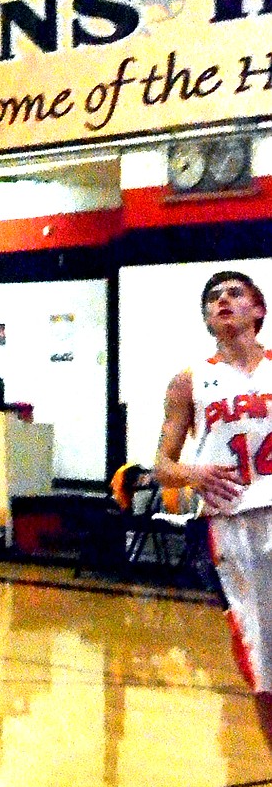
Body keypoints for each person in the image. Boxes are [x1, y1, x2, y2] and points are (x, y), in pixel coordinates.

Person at [154, 270, 272, 753]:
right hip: (231, 525)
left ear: (258, 310)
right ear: (207, 318)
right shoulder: (189, 381)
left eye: (234, 293)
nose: (223, 301)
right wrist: (194, 474)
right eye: (213, 298)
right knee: (262, 655)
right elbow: (161, 465)